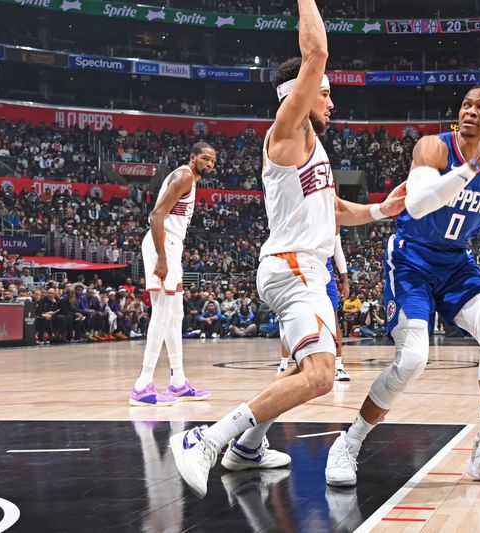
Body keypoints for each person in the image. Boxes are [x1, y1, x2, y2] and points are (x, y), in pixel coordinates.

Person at [169, 0, 407, 499]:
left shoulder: (312, 148)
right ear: (298, 94)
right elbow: (315, 52)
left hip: (303, 268)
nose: (331, 102)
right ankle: (206, 439)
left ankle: (249, 446)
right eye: (324, 93)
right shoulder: (286, 134)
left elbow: (336, 209)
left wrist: (384, 210)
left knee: (304, 368)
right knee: (321, 375)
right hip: (294, 268)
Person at [325, 84, 480, 489]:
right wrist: (470, 168)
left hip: (455, 262)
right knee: (412, 359)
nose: (470, 111)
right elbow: (417, 204)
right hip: (411, 259)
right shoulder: (434, 146)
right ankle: (348, 443)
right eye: (466, 104)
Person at [129, 142, 216, 407]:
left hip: (170, 244)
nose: (209, 164)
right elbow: (156, 217)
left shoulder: (191, 179)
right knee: (163, 312)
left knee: (176, 313)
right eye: (205, 159)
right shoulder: (184, 176)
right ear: (193, 157)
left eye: (213, 161)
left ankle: (178, 381)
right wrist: (163, 258)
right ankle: (142, 384)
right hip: (162, 244)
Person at [277, 225, 351, 381]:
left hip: (325, 270)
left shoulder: (331, 215)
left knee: (333, 318)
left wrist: (345, 280)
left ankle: (338, 366)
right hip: (300, 266)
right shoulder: (300, 213)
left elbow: (337, 249)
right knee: (292, 317)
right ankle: (283, 364)